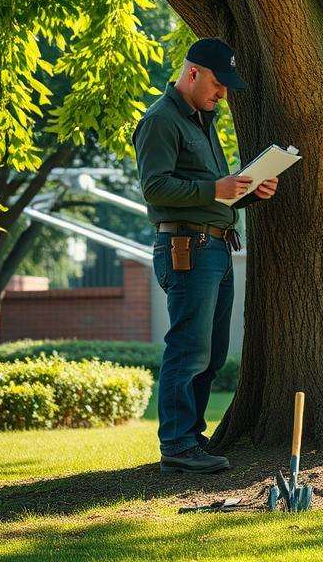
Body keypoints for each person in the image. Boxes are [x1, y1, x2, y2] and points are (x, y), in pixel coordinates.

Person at [133, 37, 277, 474]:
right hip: (187, 249)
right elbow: (155, 189)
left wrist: (247, 192)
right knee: (188, 348)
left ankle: (190, 437)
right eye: (217, 84)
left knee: (212, 352)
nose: (222, 94)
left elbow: (212, 194)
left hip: (215, 246)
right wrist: (215, 188)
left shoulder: (202, 121)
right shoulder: (160, 121)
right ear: (192, 73)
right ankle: (176, 444)